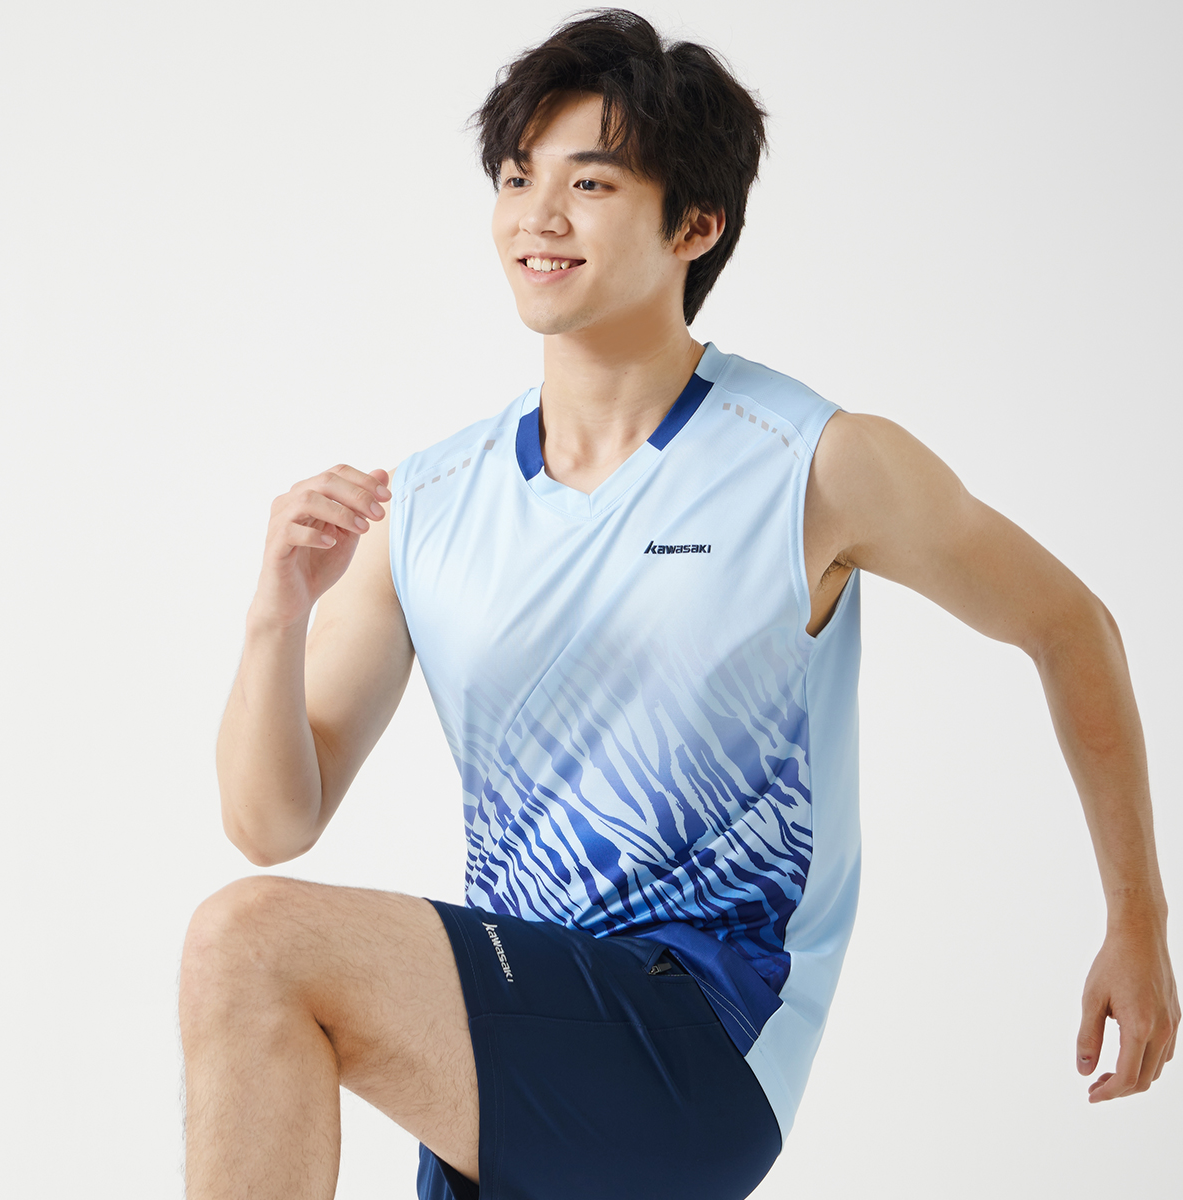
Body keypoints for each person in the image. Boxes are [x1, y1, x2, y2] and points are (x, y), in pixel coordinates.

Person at [178, 10, 1179, 1200]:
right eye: (517, 178)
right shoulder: (433, 503)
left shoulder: (814, 463)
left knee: (249, 943)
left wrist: (1138, 925)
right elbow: (273, 821)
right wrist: (274, 616)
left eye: (589, 183)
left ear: (695, 224)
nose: (538, 217)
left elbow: (1069, 626)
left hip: (707, 1030)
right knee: (250, 946)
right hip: (526, 1034)